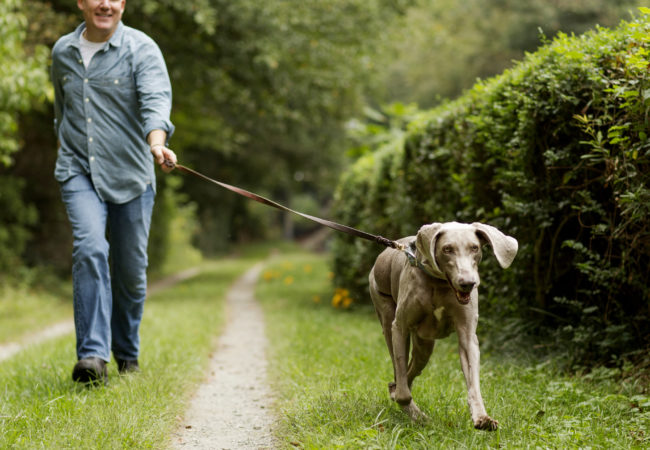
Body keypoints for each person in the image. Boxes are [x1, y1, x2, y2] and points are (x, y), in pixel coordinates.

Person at [51, 0, 177, 385]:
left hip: (131, 174)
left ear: (122, 4)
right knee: (90, 247)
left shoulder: (142, 48)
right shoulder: (62, 52)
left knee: (131, 273)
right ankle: (92, 356)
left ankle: (127, 355)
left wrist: (157, 143)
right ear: (81, 3)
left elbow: (156, 101)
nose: (104, 3)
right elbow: (62, 107)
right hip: (78, 169)